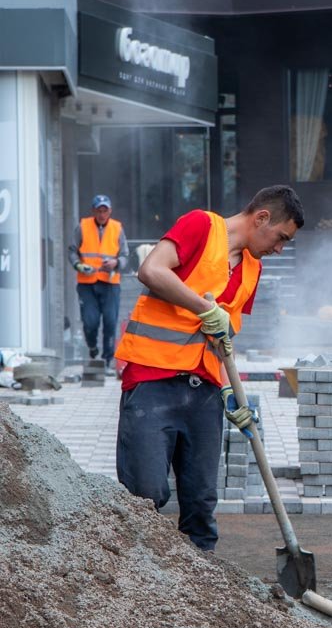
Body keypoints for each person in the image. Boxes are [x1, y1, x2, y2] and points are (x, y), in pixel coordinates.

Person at [114, 186, 304, 551]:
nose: (279, 249)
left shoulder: (252, 269)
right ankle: (138, 581)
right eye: (281, 238)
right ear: (261, 217)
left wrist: (231, 390)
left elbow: (223, 332)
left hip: (205, 392)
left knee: (201, 504)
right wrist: (205, 309)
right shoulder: (201, 226)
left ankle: (204, 591)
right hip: (153, 380)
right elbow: (151, 270)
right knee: (146, 492)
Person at [70, 194, 129, 369]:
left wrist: (116, 263)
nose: (102, 214)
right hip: (87, 283)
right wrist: (78, 265)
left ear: (110, 211)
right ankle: (93, 347)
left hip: (110, 283)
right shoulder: (82, 226)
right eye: (99, 210)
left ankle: (107, 359)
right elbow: (72, 251)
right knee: (90, 322)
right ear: (93, 211)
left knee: (110, 322)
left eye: (105, 210)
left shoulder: (117, 228)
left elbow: (125, 255)